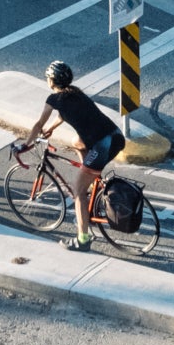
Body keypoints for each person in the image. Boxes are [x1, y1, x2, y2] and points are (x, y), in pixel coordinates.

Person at [17, 60, 124, 250]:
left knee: (78, 192)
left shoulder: (54, 99)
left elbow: (37, 124)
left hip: (102, 145)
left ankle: (83, 240)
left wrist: (26, 145)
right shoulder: (75, 92)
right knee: (77, 142)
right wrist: (51, 128)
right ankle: (94, 183)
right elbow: (63, 115)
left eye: (48, 77)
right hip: (116, 136)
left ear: (52, 80)